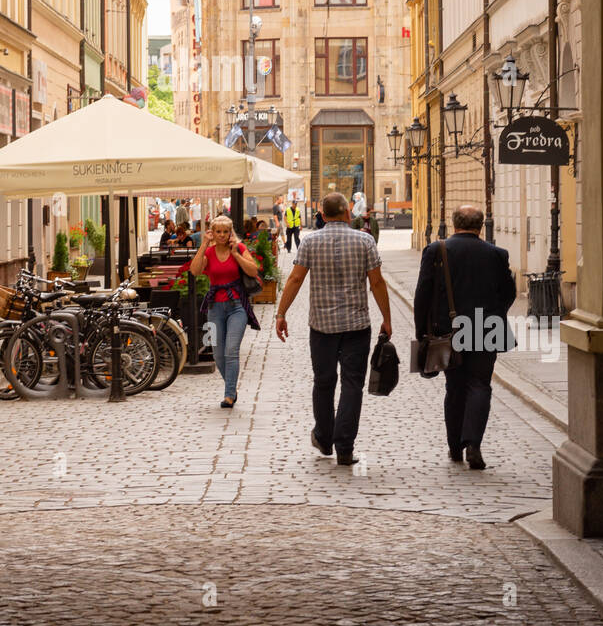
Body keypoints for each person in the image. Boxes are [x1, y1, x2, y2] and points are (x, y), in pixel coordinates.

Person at [275, 192, 392, 466]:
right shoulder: (365, 241)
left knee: (324, 382)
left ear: (323, 216)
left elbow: (294, 279)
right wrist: (387, 317)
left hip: (322, 326)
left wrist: (281, 314)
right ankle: (345, 447)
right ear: (348, 214)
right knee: (352, 384)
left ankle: (324, 438)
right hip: (356, 326)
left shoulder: (310, 241)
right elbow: (377, 282)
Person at [413, 203, 517, 471]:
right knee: (480, 385)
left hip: (449, 329)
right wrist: (495, 314)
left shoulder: (438, 250)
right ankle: (474, 444)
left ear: (454, 222)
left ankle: (454, 447)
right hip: (487, 328)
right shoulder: (497, 254)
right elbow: (509, 292)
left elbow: (423, 293)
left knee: (454, 387)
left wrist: (422, 333)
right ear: (480, 226)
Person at [190, 215, 261, 409]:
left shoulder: (239, 248)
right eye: (218, 232)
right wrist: (204, 245)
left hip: (237, 306)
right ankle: (231, 388)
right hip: (214, 308)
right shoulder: (210, 252)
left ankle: (229, 394)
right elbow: (195, 271)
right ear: (213, 233)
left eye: (225, 232)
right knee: (218, 355)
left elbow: (254, 270)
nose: (221, 235)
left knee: (231, 350)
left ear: (231, 233)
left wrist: (236, 254)